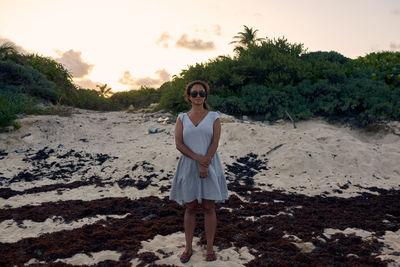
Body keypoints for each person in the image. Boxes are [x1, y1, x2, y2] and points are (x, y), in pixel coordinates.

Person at [169, 80, 228, 263]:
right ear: (188, 96)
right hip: (188, 166)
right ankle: (188, 248)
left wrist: (205, 164)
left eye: (201, 93)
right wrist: (197, 159)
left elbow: (215, 143)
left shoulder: (214, 117)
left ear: (205, 96)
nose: (198, 96)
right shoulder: (182, 118)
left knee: (209, 207)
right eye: (194, 93)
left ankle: (209, 248)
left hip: (210, 164)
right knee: (191, 207)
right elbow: (179, 144)